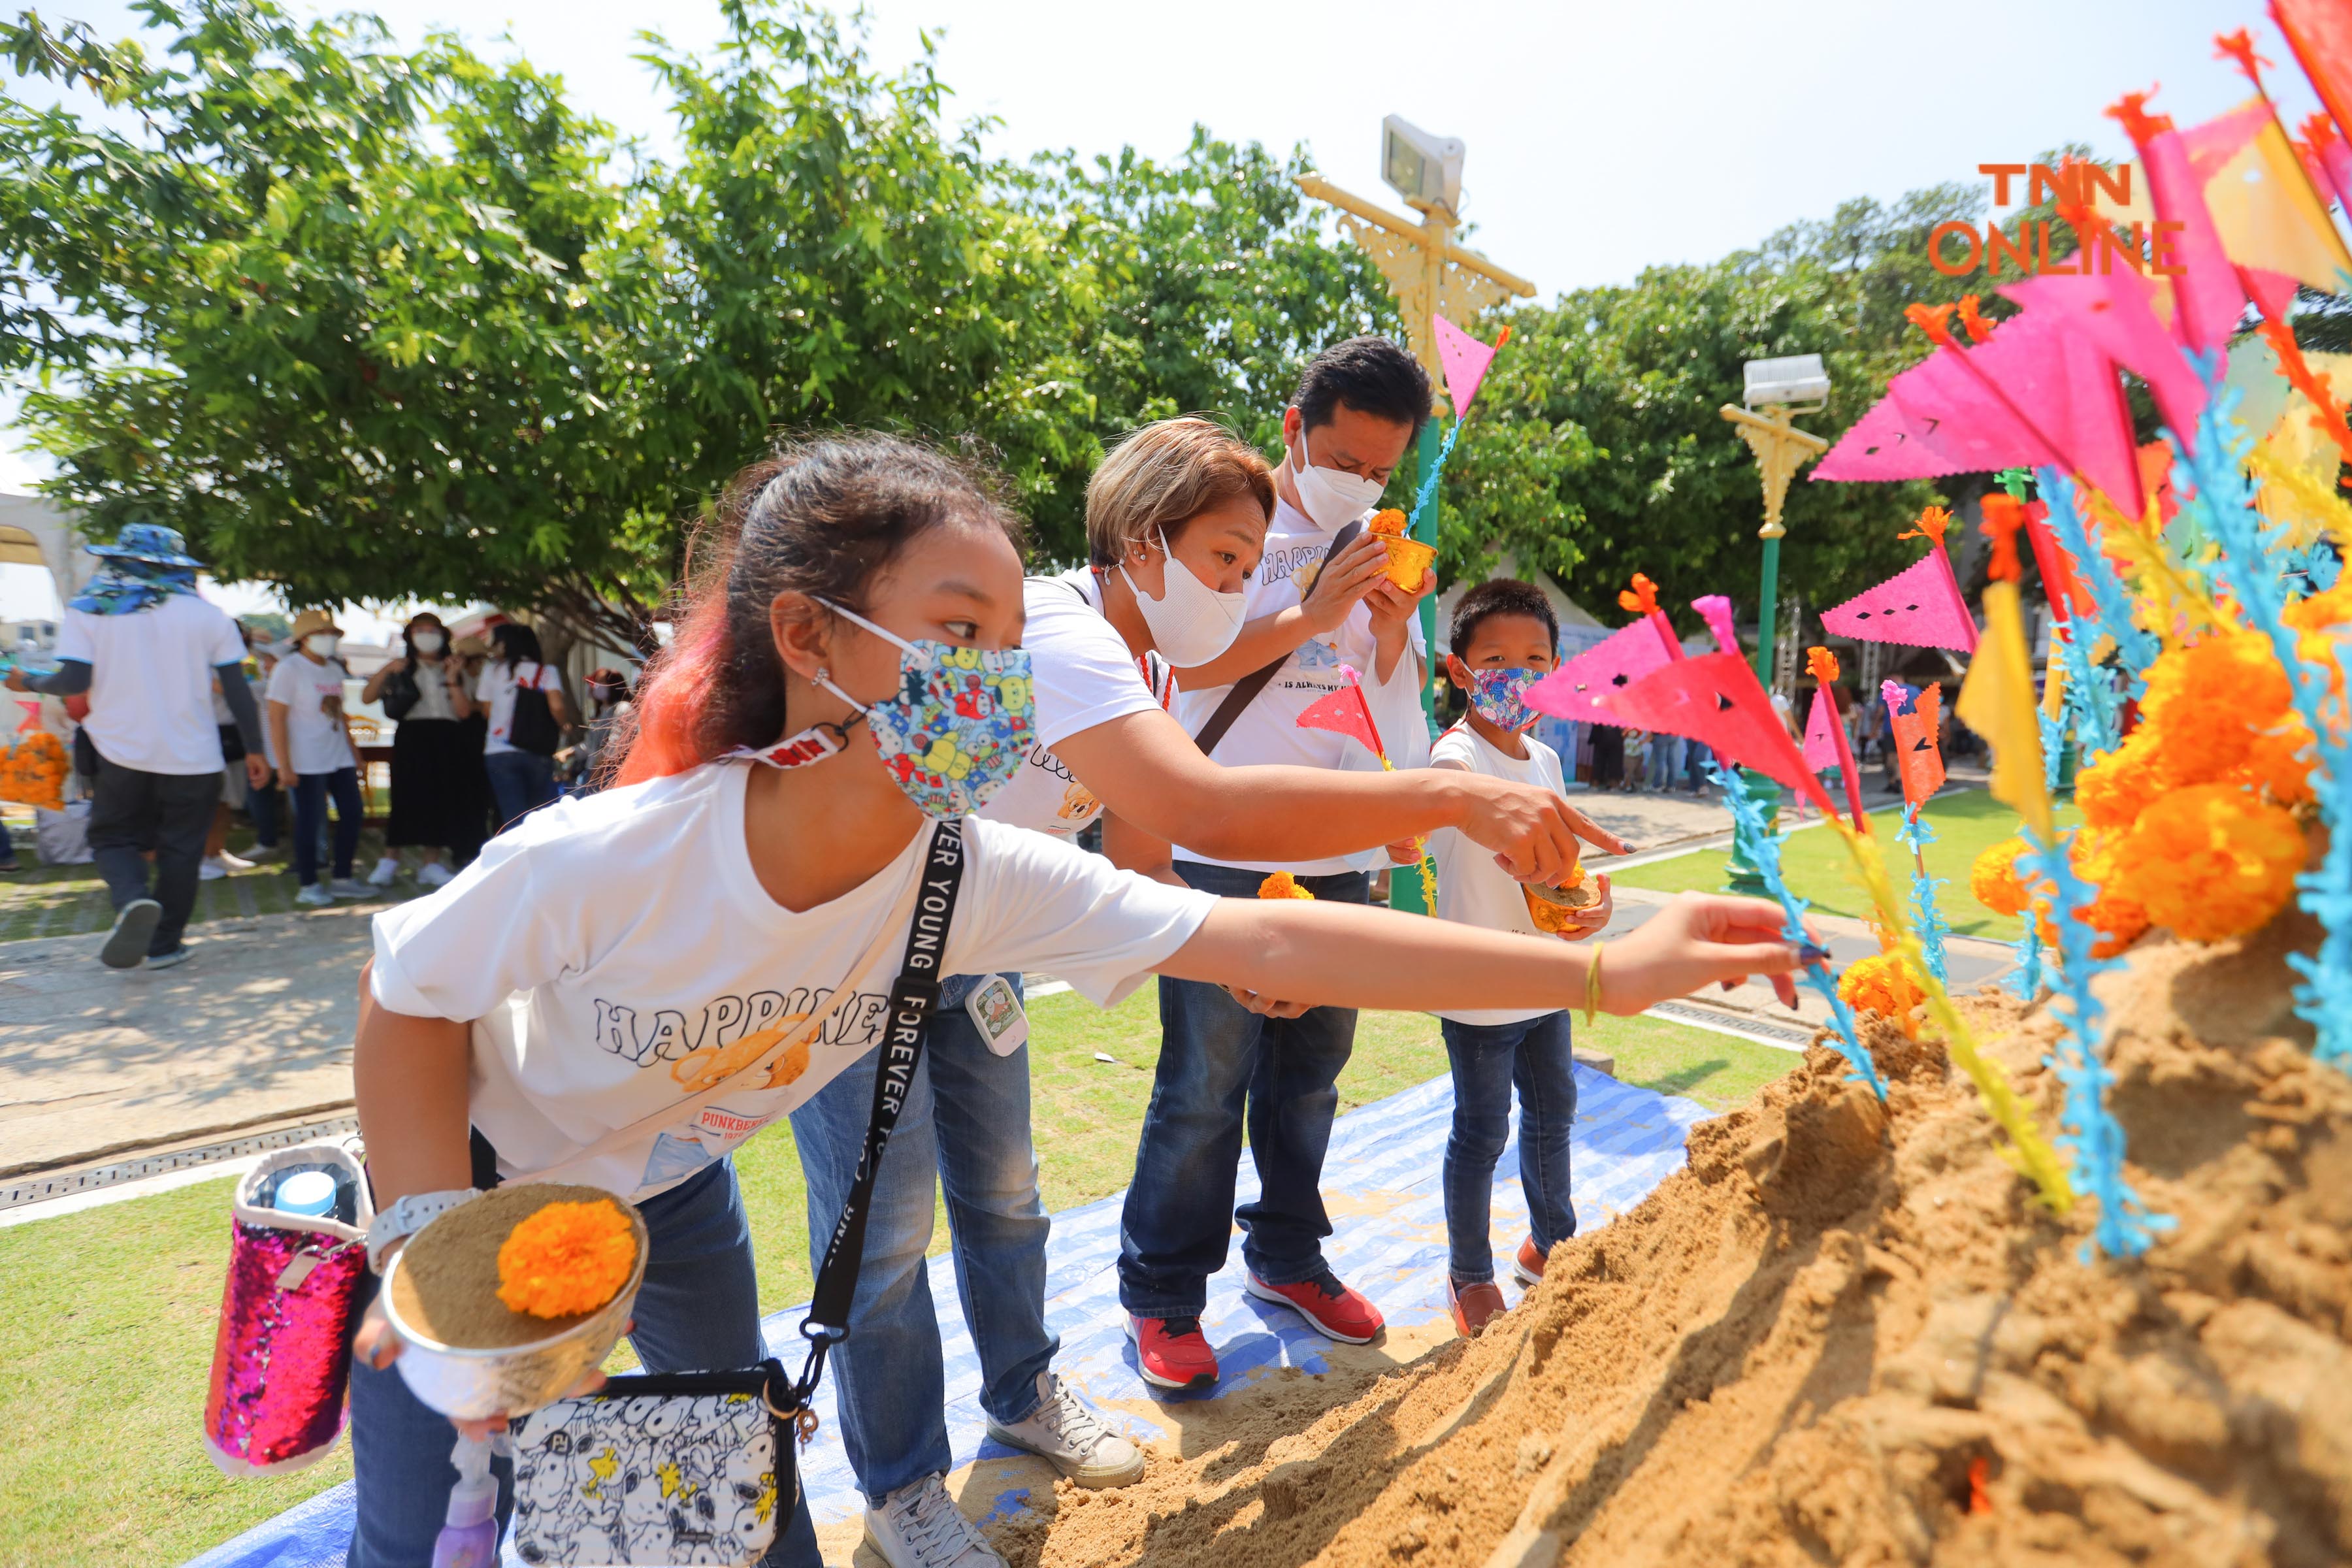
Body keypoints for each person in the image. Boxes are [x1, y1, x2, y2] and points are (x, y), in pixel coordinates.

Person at [347, 431, 1810, 1568]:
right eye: (957, 632)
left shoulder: (964, 879)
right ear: (808, 638)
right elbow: (408, 996)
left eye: (1007, 644)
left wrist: (1606, 972)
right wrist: (429, 1243)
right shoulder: (623, 853)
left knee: (716, 1492)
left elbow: (1278, 948)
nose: (997, 680)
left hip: (667, 1199)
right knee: (429, 1527)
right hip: (475, 1201)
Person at [796, 417, 1616, 1541]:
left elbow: (1142, 855)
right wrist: (1451, 795)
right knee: (885, 1239)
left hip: (976, 960)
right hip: (860, 964)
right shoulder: (1058, 626)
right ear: (1144, 545)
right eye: (1227, 561)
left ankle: (1024, 1393)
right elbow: (1207, 807)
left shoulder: (1135, 664)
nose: (1239, 591)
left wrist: (1240, 956)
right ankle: (901, 1487)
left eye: (1245, 564)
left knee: (1005, 1198)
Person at [1117, 339, 1490, 1388]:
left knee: (1311, 1077)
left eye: (1381, 470)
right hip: (1218, 847)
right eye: (1343, 459)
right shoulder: (1231, 522)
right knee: (1203, 1082)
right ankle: (1162, 1294)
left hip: (1338, 851)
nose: (1361, 484)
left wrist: (1385, 635)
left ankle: (1287, 1257)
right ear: (1293, 429)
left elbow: (1387, 715)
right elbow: (1185, 662)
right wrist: (1314, 607)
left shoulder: (1378, 541)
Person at [1426, 580, 1612, 1337]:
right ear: (1461, 671)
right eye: (1497, 658)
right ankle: (1468, 1274)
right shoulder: (1455, 757)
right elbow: (1459, 816)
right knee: (1481, 1132)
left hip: (1544, 977)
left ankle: (1551, 1242)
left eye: (1537, 658)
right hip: (1477, 986)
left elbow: (1561, 867)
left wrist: (1592, 902)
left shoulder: (1544, 759)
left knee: (1554, 1113)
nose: (1519, 672)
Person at [7, 524, 269, 969]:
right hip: (195, 756)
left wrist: (25, 680)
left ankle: (132, 901)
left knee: (112, 838)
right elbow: (239, 690)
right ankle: (165, 945)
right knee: (182, 849)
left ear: (117, 559)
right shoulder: (210, 617)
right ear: (176, 566)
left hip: (120, 752)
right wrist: (257, 750)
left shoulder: (90, 610)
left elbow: (72, 682)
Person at [362, 612, 477, 889]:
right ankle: (389, 860)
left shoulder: (455, 667)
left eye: (432, 630)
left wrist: (453, 677)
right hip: (412, 734)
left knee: (440, 797)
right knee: (404, 795)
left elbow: (464, 712)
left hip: (447, 736)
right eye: (420, 630)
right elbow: (366, 697)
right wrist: (387, 669)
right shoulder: (401, 667)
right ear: (410, 636)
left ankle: (431, 863)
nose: (427, 635)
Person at [268, 608, 368, 906]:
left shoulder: (334, 669)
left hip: (339, 757)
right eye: (321, 634)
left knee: (352, 814)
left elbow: (341, 715)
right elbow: (276, 718)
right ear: (303, 639)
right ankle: (308, 884)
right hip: (306, 760)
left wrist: (355, 753)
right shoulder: (289, 669)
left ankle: (343, 878)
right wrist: (284, 765)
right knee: (310, 822)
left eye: (331, 634)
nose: (328, 640)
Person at [474, 622, 568, 829]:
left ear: (505, 644)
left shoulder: (491, 671)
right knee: (540, 814)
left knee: (512, 816)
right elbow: (557, 706)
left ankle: (516, 857)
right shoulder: (546, 672)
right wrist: (565, 726)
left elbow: (486, 710)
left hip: (499, 750)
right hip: (537, 749)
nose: (493, 648)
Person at [564, 665, 633, 790]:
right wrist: (569, 752)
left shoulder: (623, 708)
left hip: (610, 775)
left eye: (600, 681)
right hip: (595, 774)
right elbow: (591, 746)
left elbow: (615, 744)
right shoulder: (601, 714)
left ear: (613, 684)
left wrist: (598, 770)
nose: (595, 686)